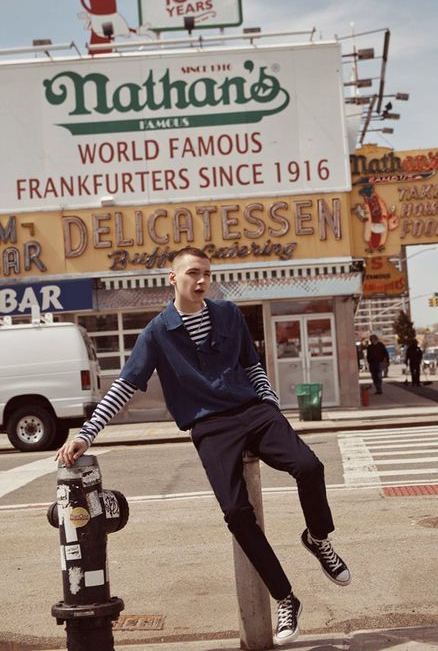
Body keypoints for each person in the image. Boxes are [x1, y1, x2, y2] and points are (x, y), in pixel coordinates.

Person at [56, 246, 351, 646]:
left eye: (207, 274)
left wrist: (269, 402)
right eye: (193, 273)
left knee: (309, 466)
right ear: (172, 278)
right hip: (210, 427)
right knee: (236, 512)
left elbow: (252, 364)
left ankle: (318, 539)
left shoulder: (228, 314)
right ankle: (286, 597)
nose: (202, 281)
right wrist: (85, 434)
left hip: (254, 411)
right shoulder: (158, 333)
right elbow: (125, 386)